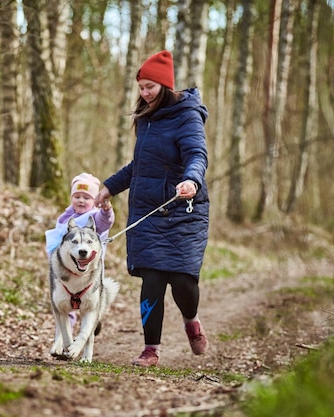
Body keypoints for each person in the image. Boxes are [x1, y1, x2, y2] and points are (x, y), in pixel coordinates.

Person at [94, 50, 210, 367]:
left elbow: (197, 155)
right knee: (153, 281)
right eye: (141, 87)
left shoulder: (187, 115)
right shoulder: (145, 119)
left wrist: (192, 181)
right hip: (148, 212)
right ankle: (151, 350)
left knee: (184, 281)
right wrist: (109, 187)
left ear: (165, 86)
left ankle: (191, 320)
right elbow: (140, 166)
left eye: (150, 87)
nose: (144, 93)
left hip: (184, 209)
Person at [45, 172, 115, 327]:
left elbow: (105, 221)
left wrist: (106, 210)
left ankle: (92, 321)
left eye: (87, 197)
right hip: (66, 269)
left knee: (89, 300)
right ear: (71, 198)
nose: (81, 200)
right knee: (65, 298)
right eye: (77, 196)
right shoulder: (66, 218)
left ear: (94, 200)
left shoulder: (95, 217)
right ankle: (66, 330)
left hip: (89, 271)